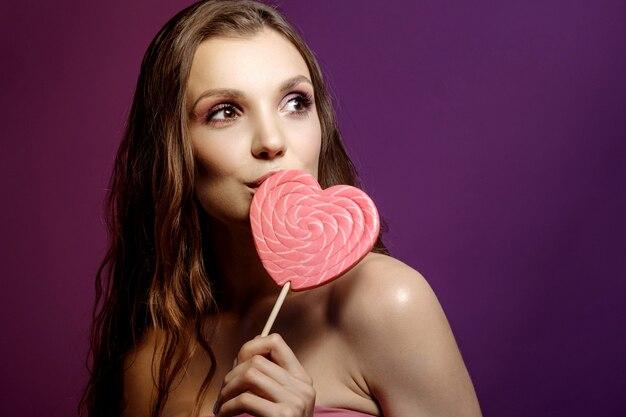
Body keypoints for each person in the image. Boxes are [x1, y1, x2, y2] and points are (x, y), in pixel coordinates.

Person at [78, 1, 483, 417]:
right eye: (225, 112)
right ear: (171, 149)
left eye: (294, 103)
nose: (272, 141)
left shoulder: (388, 303)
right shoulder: (150, 364)